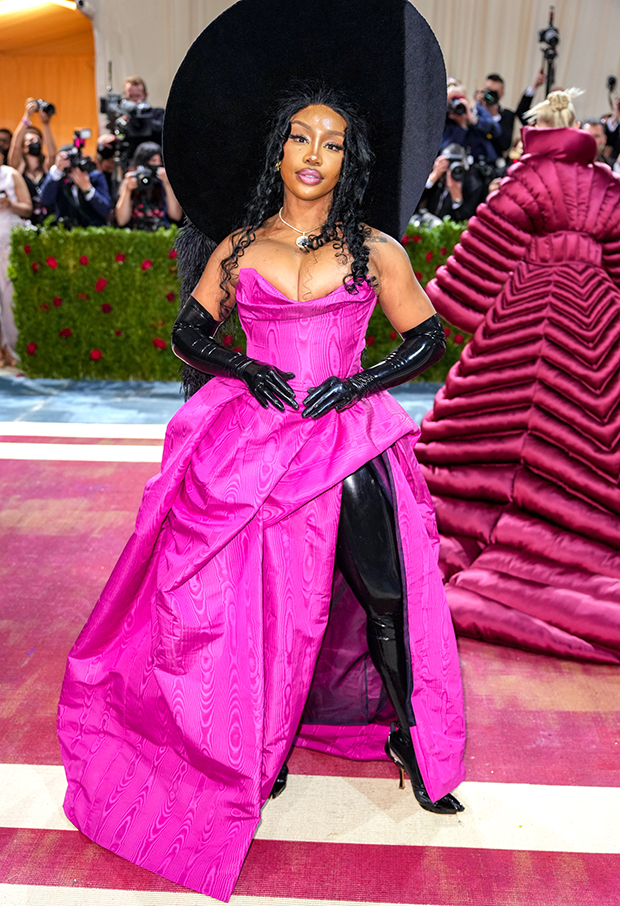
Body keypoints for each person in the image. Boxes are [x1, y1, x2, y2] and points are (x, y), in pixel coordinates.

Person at [57, 2, 466, 901]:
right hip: (250, 446)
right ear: (278, 151)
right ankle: (258, 747)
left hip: (345, 441)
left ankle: (413, 739)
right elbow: (189, 331)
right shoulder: (240, 246)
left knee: (384, 595)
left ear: (349, 160)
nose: (315, 153)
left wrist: (356, 385)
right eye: (301, 138)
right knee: (254, 608)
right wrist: (244, 365)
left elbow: (426, 336)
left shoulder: (375, 248)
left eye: (332, 142)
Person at [417, 88, 620, 664]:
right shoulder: (608, 186)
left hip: (529, 310)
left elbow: (482, 255)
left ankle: (498, 544)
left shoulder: (526, 179)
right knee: (593, 423)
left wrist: (447, 306)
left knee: (498, 420)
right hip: (599, 316)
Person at [0, 164, 32, 366]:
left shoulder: (11, 174)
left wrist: (10, 205)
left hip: (8, 245)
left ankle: (12, 349)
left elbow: (28, 209)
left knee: (10, 299)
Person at [7, 99, 57, 224]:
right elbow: (15, 147)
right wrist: (26, 117)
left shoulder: (45, 166)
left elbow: (52, 154)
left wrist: (46, 124)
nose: (35, 142)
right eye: (30, 140)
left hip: (49, 220)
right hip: (26, 222)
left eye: (37, 140)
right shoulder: (19, 167)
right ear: (24, 147)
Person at [38, 145, 111, 228]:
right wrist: (57, 172)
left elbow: (106, 210)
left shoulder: (95, 176)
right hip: (65, 228)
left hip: (92, 229)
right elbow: (45, 200)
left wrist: (88, 189)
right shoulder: (57, 179)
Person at [478, 70, 545, 157]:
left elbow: (504, 145)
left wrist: (494, 116)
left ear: (501, 94)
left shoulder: (507, 115)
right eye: (488, 91)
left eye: (495, 93)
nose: (490, 96)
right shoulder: (473, 112)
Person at [115, 141, 182, 229]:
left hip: (161, 232)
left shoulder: (163, 183)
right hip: (136, 233)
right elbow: (121, 220)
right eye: (153, 161)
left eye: (160, 161)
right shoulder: (132, 180)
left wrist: (167, 184)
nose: (157, 164)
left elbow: (176, 216)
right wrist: (127, 190)